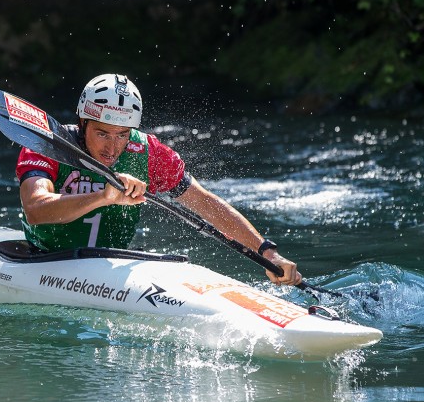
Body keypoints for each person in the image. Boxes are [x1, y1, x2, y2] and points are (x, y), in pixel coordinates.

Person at [16, 73, 302, 286]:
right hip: (46, 261)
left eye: (122, 135)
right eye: (102, 133)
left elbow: (205, 203)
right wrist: (103, 196)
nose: (112, 148)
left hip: (109, 270)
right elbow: (36, 208)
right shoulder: (48, 145)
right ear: (82, 122)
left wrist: (267, 252)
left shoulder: (149, 152)